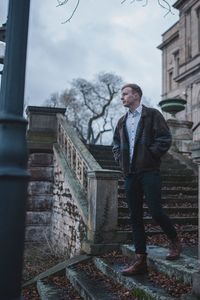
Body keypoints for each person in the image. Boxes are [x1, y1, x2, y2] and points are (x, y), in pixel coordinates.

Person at [112, 83, 181, 276]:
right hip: (130, 174)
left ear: (136, 95)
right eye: (122, 94)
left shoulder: (152, 115)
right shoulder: (121, 121)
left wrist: (150, 154)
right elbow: (116, 144)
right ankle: (140, 258)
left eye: (125, 94)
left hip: (149, 171)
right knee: (135, 217)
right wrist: (120, 160)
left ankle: (174, 240)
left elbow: (165, 138)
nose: (122, 97)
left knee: (156, 211)